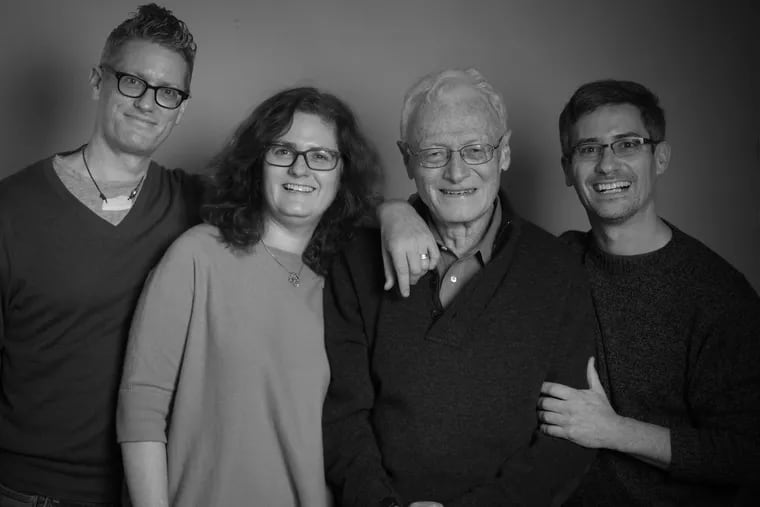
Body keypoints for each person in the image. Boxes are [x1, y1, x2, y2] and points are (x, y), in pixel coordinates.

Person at [322, 68, 600, 507]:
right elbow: (341, 418)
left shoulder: (559, 269)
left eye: (476, 149)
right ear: (406, 158)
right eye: (434, 153)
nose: (456, 172)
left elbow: (568, 439)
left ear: (503, 153)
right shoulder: (357, 262)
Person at [116, 87, 381, 506]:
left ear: (341, 173)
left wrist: (398, 213)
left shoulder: (344, 286)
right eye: (283, 151)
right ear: (258, 162)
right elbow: (141, 410)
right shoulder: (197, 255)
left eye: (320, 156)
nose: (300, 169)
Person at [0, 4, 199, 505]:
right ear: (97, 82)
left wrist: (398, 214)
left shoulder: (197, 205)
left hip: (150, 489)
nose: (148, 104)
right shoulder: (10, 209)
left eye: (168, 92)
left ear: (180, 108)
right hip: (33, 492)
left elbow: (299, 202)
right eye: (132, 81)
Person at [536, 79, 760, 506]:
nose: (606, 165)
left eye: (627, 145)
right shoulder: (557, 261)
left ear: (660, 157)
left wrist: (614, 431)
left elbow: (746, 453)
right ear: (568, 169)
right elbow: (471, 236)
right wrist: (395, 214)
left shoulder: (719, 295)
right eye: (588, 149)